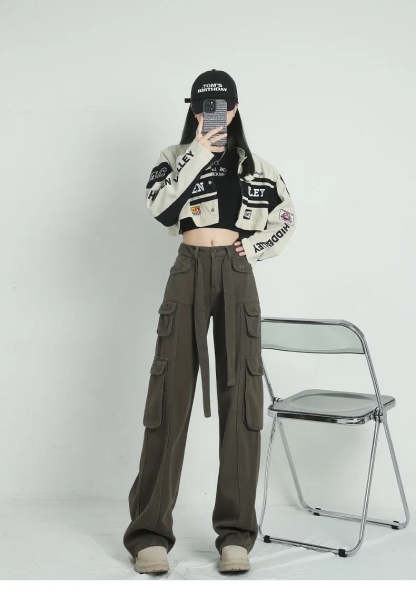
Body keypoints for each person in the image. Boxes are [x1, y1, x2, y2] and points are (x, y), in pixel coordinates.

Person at [123, 69, 296, 575]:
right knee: (168, 395)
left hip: (237, 274)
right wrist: (198, 150)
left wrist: (254, 249)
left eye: (220, 106)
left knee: (242, 397)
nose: (212, 113)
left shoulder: (256, 167)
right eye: (203, 106)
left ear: (235, 109)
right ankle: (150, 534)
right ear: (194, 109)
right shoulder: (173, 158)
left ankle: (236, 535)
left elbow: (286, 216)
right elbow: (160, 209)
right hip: (188, 269)